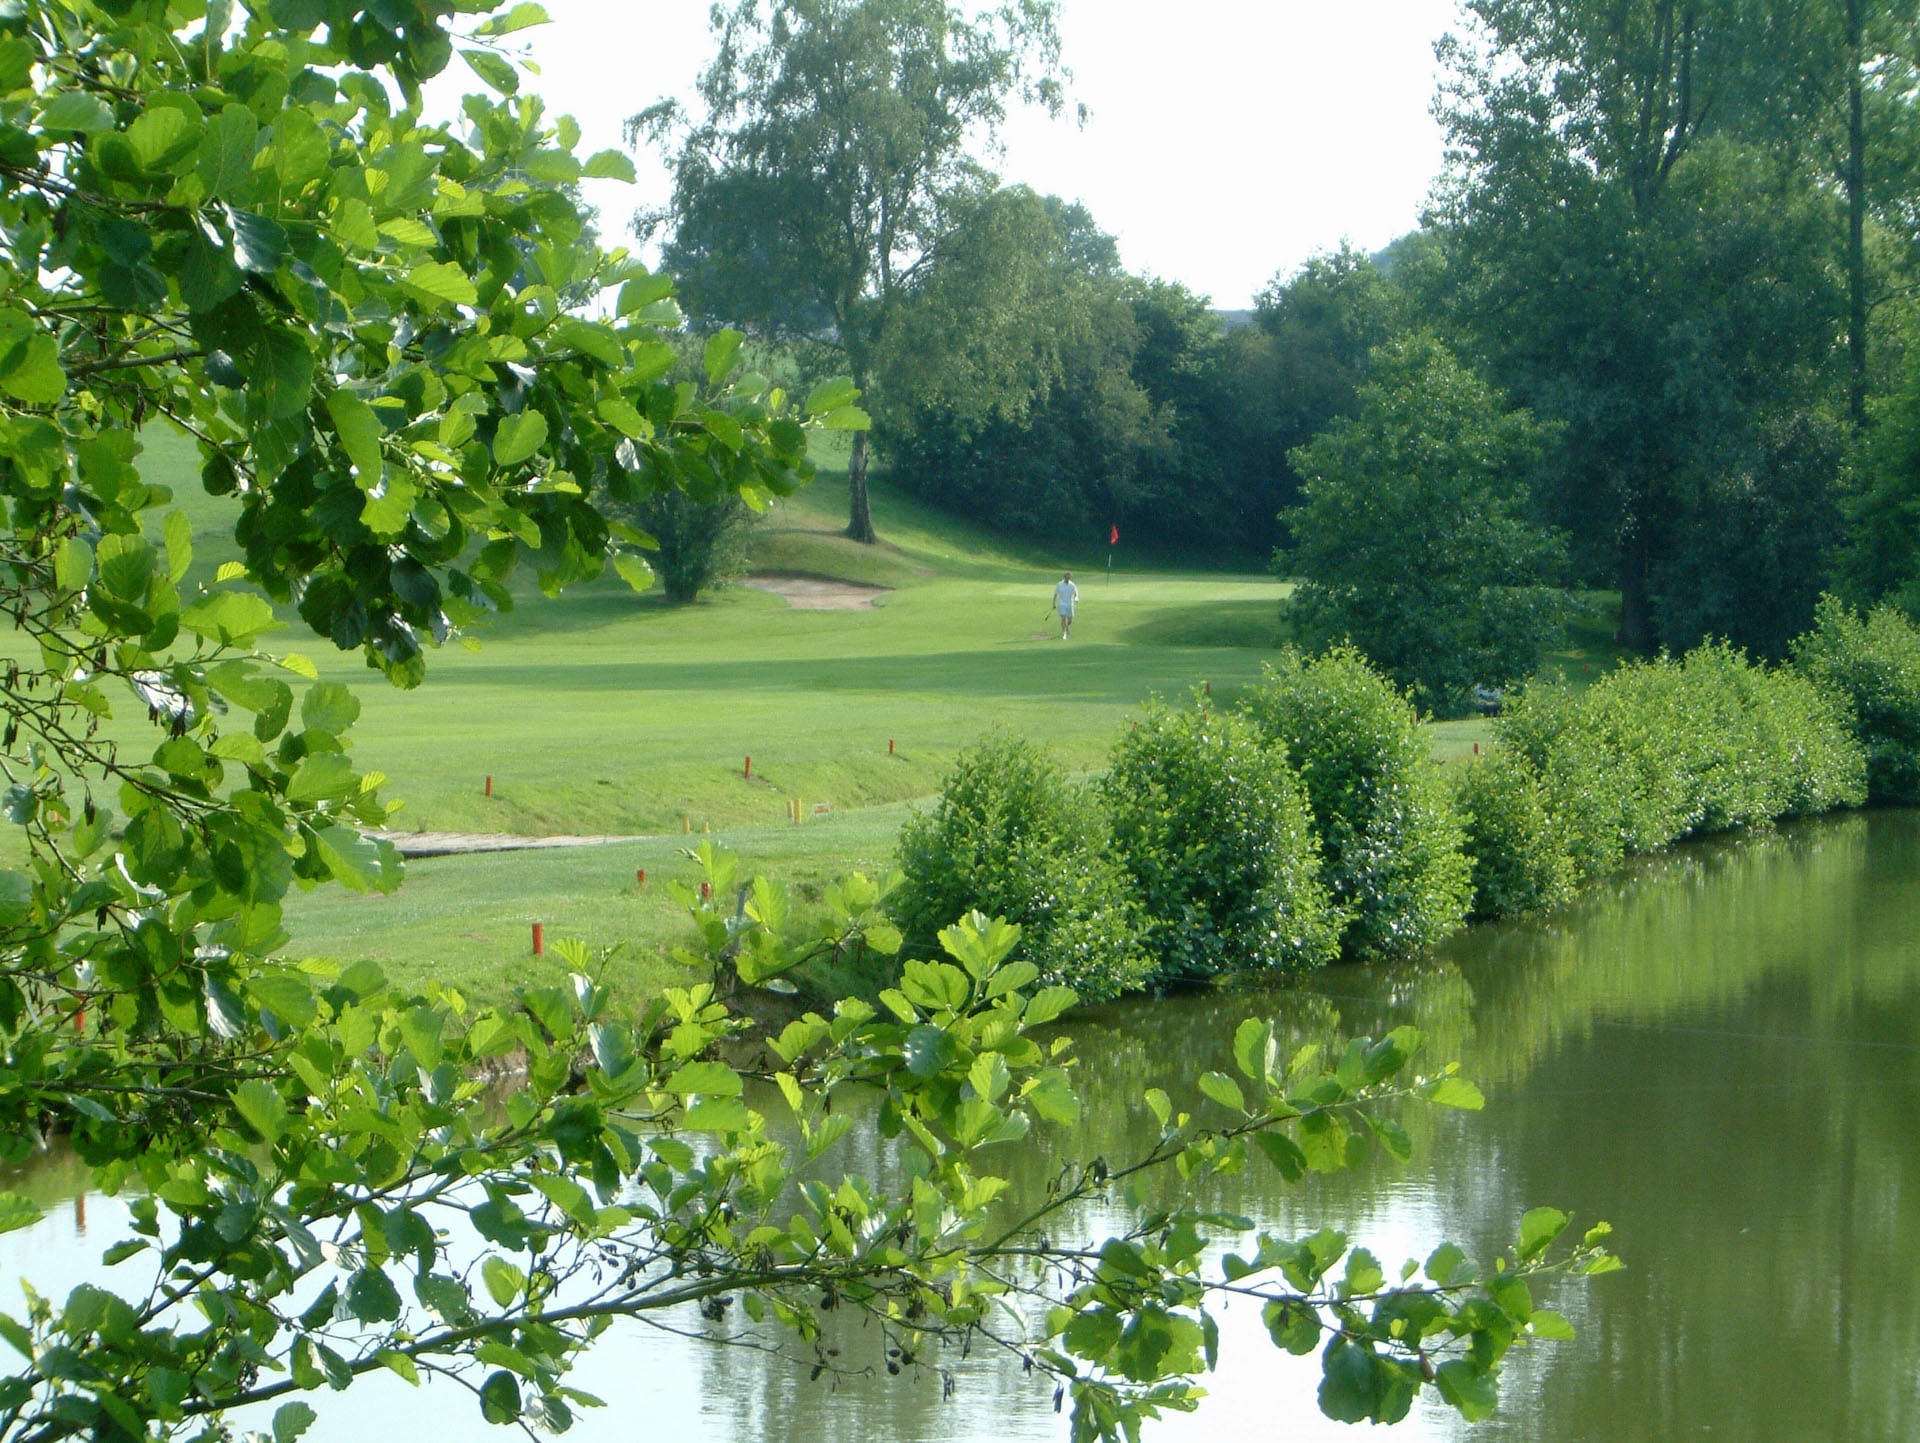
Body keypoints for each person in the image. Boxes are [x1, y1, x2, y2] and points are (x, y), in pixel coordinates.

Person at [1052, 571, 1079, 639]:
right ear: (1064, 577)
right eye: (1067, 577)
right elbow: (1055, 594)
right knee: (1063, 618)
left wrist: (1076, 598)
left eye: (1069, 577)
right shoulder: (1059, 584)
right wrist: (1054, 603)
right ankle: (1064, 633)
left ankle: (1067, 626)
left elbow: (1076, 594)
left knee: (1070, 620)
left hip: (1070, 604)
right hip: (1062, 603)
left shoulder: (1072, 585)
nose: (1068, 578)